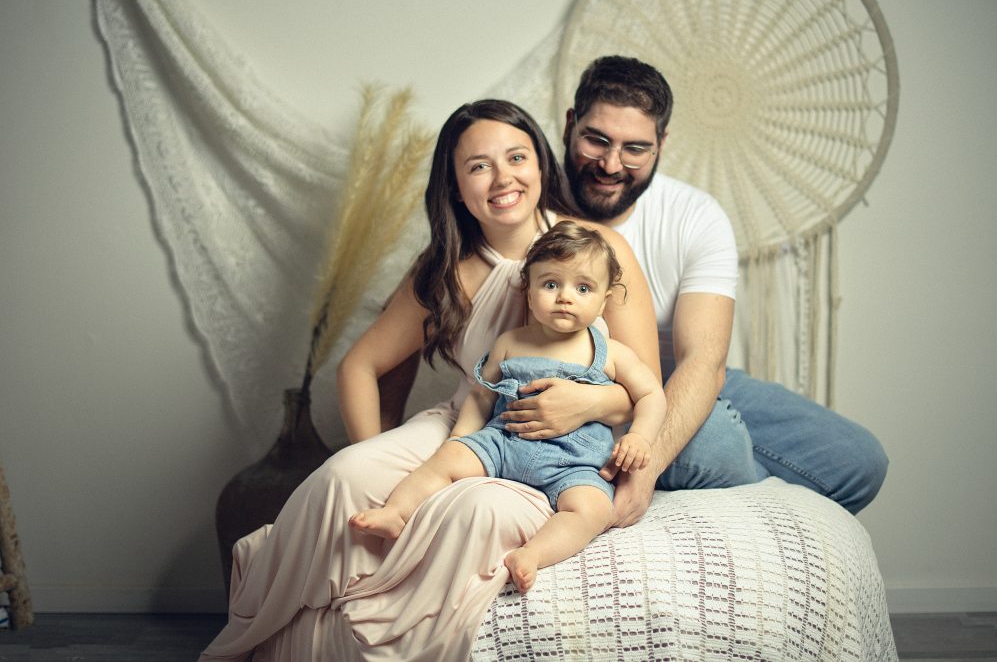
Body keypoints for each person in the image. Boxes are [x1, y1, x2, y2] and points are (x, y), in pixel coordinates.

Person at [201, 99, 660, 661]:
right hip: (472, 420)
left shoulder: (598, 249)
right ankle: (257, 627)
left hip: (571, 443)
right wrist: (388, 453)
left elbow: (642, 387)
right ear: (457, 188)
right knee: (343, 476)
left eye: (516, 156)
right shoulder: (446, 267)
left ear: (541, 162)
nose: (502, 177)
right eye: (478, 166)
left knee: (470, 514)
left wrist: (582, 406)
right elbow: (360, 367)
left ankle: (345, 627)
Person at [494, 55, 889, 524]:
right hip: (584, 376)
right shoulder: (525, 200)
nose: (611, 164)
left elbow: (704, 361)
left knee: (860, 462)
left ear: (661, 144)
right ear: (569, 126)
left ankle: (736, 481)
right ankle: (739, 482)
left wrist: (647, 464)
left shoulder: (695, 216)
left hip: (674, 377)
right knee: (718, 434)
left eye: (635, 148)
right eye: (597, 140)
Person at [350, 221, 667, 593]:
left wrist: (642, 438)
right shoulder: (510, 342)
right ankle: (396, 512)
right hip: (503, 441)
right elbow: (482, 395)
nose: (565, 297)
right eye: (551, 284)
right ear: (528, 291)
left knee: (591, 509)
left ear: (604, 298)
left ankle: (533, 554)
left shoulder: (611, 353)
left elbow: (651, 395)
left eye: (583, 288)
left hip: (572, 461)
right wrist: (459, 439)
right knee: (442, 463)